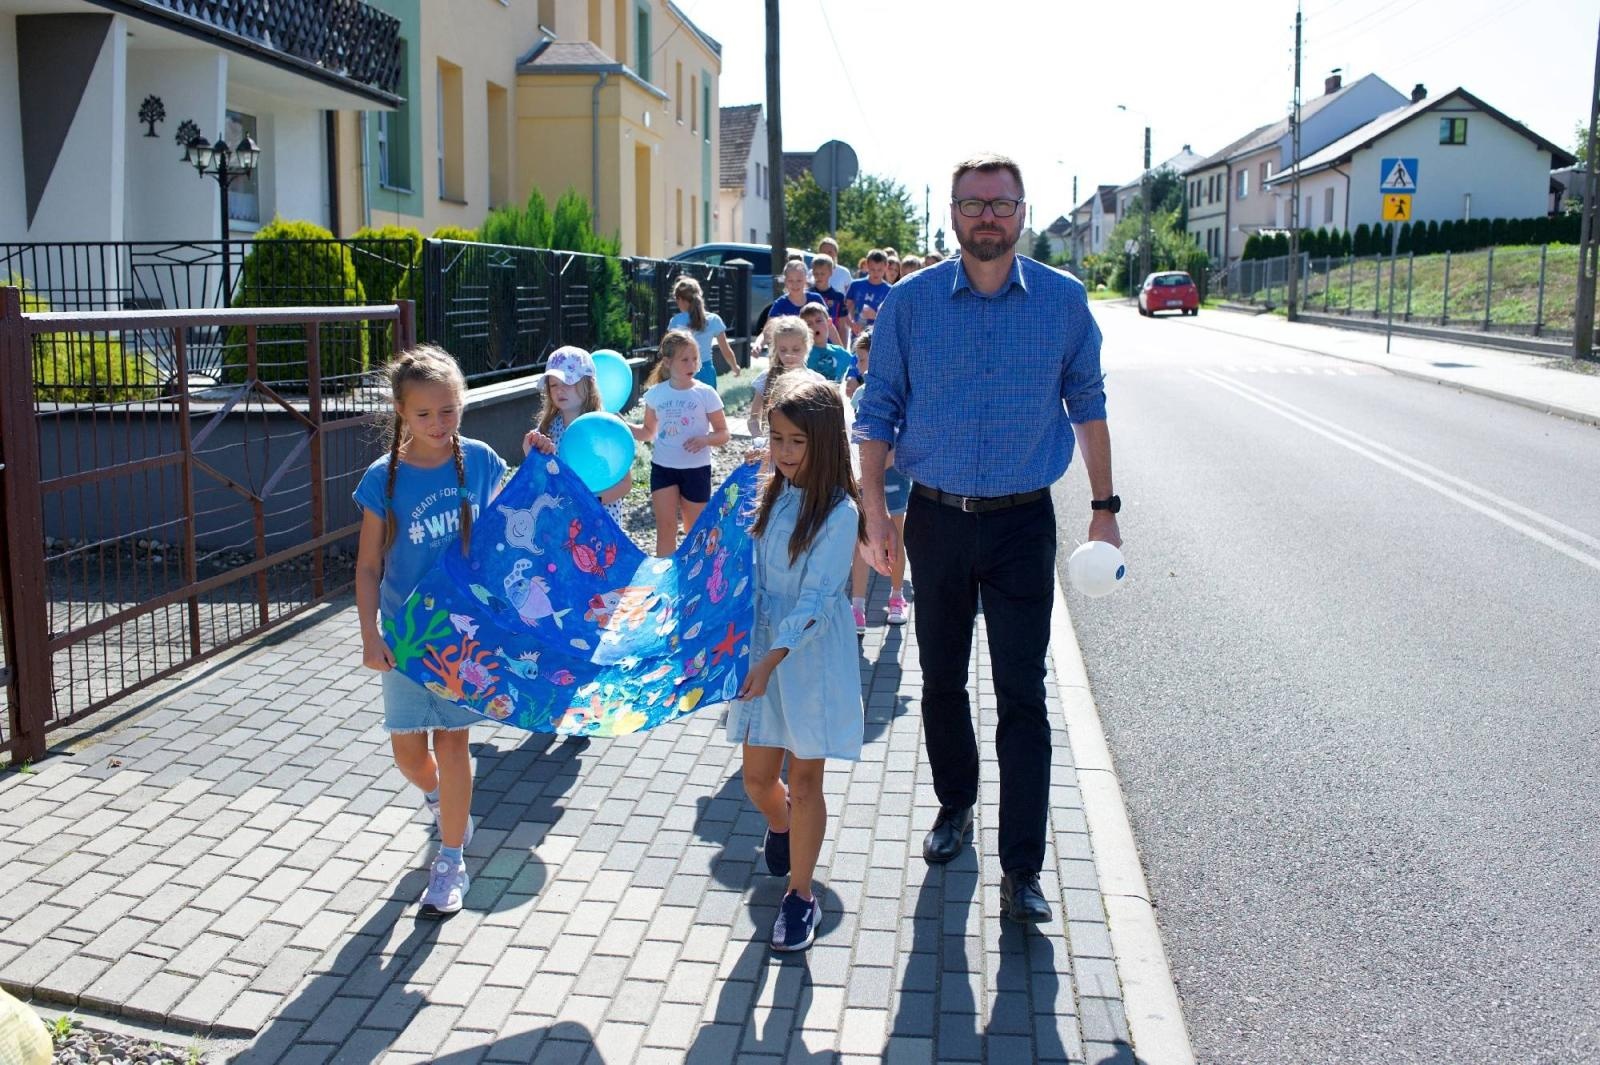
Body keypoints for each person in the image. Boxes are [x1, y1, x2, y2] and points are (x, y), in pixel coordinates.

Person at [853, 153, 1119, 926]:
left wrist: (1104, 506)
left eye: (1001, 204)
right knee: (940, 679)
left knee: (1022, 695)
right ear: (953, 215)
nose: (988, 217)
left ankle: (1023, 868)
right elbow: (878, 409)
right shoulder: (910, 305)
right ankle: (955, 802)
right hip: (935, 519)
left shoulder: (1063, 303)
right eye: (973, 204)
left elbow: (1089, 404)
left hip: (1022, 524)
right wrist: (874, 510)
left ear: (1023, 212)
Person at [354, 345, 508, 918]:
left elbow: (512, 523)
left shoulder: (482, 460)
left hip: (462, 638)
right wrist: (370, 636)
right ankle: (443, 800)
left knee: (453, 742)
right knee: (408, 754)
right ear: (401, 412)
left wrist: (543, 456)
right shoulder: (383, 478)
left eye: (448, 410)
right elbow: (368, 566)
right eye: (424, 414)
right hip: (404, 637)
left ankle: (450, 859)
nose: (438, 423)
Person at [726, 374, 865, 952]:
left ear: (825, 441)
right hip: (763, 647)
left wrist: (772, 660)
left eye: (796, 442)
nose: (783, 452)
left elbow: (815, 603)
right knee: (757, 780)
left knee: (806, 782)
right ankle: (782, 824)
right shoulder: (770, 491)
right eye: (777, 438)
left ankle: (800, 896)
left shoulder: (839, 512)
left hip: (809, 658)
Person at [631, 329, 730, 557]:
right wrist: (621, 426)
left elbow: (724, 433)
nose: (692, 364)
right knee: (666, 528)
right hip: (663, 469)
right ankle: (664, 573)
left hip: (696, 470)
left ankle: (693, 572)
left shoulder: (706, 393)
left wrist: (705, 439)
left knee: (694, 530)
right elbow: (648, 432)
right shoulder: (655, 394)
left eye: (695, 358)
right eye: (685, 359)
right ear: (667, 362)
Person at [522, 346, 631, 526]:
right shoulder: (548, 428)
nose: (559, 390)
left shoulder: (603, 428)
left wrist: (590, 502)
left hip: (600, 522)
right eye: (554, 385)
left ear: (588, 383)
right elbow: (539, 477)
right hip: (563, 522)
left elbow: (625, 483)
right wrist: (530, 452)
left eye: (567, 382)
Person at [844, 328, 908, 631]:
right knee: (862, 540)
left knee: (896, 537)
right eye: (859, 359)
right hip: (862, 480)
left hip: (893, 479)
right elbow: (852, 435)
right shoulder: (858, 395)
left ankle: (896, 596)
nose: (861, 365)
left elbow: (904, 442)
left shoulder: (901, 394)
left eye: (865, 359)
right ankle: (857, 606)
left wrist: (875, 465)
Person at [747, 316, 812, 438]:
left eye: (796, 349)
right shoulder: (766, 378)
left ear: (807, 346)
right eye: (783, 350)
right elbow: (753, 419)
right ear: (776, 349)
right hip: (773, 445)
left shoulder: (815, 380)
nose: (789, 355)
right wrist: (759, 438)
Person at [668, 277, 740, 387]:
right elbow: (726, 350)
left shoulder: (676, 321)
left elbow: (669, 351)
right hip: (706, 372)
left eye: (676, 300)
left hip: (682, 371)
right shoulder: (714, 319)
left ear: (680, 299)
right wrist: (735, 367)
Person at [844, 250, 892, 339]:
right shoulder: (855, 285)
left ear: (886, 267)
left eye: (880, 270)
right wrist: (852, 324)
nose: (876, 273)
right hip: (857, 335)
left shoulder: (890, 290)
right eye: (872, 269)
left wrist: (875, 316)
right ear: (867, 265)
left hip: (878, 337)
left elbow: (891, 318)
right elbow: (844, 310)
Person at [799, 303, 850, 382]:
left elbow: (858, 368)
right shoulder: (802, 355)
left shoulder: (841, 353)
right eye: (809, 324)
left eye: (818, 321)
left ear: (829, 323)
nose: (815, 326)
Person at [810, 254, 848, 338]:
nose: (819, 277)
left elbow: (842, 326)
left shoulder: (838, 297)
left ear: (831, 273)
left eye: (822, 274)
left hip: (831, 341)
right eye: (816, 273)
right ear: (812, 272)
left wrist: (842, 345)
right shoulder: (807, 295)